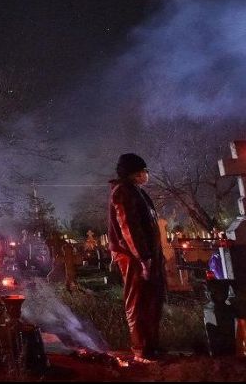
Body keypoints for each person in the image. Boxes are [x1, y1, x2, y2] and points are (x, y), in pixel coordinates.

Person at [107, 153, 166, 363]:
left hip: (147, 255)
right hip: (133, 257)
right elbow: (129, 228)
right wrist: (143, 257)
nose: (146, 175)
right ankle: (141, 349)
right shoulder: (122, 192)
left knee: (152, 299)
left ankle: (151, 346)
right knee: (139, 301)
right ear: (136, 172)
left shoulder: (136, 191)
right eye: (144, 171)